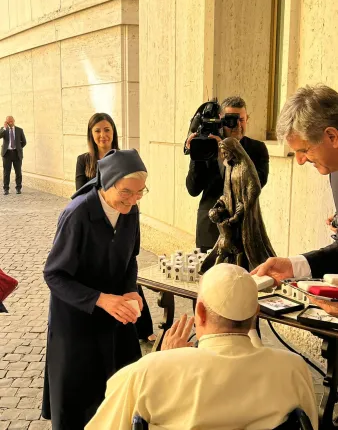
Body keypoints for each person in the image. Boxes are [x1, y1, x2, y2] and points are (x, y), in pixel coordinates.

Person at [86, 264, 318, 430]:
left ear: (200, 312)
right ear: (255, 315)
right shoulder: (293, 369)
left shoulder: (147, 373)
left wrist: (164, 362)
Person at [42, 149, 149, 430]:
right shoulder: (77, 214)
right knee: (79, 406)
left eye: (140, 193)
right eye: (127, 192)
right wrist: (100, 299)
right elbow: (54, 275)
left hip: (114, 317)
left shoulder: (131, 210)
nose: (133, 200)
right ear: (108, 182)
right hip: (76, 321)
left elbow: (131, 259)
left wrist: (129, 291)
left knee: (120, 398)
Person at [251, 84, 338, 316]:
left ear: (332, 136)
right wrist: (293, 266)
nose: (300, 161)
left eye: (305, 150)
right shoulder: (333, 170)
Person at [75, 112, 156, 343]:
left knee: (127, 274)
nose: (103, 134)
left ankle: (141, 327)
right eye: (98, 130)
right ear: (92, 134)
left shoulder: (126, 160)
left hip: (120, 222)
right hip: (96, 224)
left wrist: (126, 200)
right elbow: (80, 191)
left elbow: (133, 256)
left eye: (107, 129)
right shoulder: (85, 160)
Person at [185, 96, 269, 252]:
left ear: (247, 119)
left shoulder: (257, 149)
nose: (237, 125)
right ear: (219, 120)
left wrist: (228, 155)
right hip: (210, 228)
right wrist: (196, 155)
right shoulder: (207, 146)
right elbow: (193, 189)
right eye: (230, 120)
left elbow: (256, 184)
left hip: (244, 229)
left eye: (241, 120)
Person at [0, 116, 26, 195]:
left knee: (18, 172)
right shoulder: (4, 130)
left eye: (11, 121)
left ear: (14, 121)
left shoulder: (19, 130)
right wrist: (4, 128)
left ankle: (18, 188)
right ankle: (6, 189)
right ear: (6, 122)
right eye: (8, 122)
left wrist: (18, 148)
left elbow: (24, 142)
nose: (10, 123)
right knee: (6, 173)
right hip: (6, 154)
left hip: (16, 154)